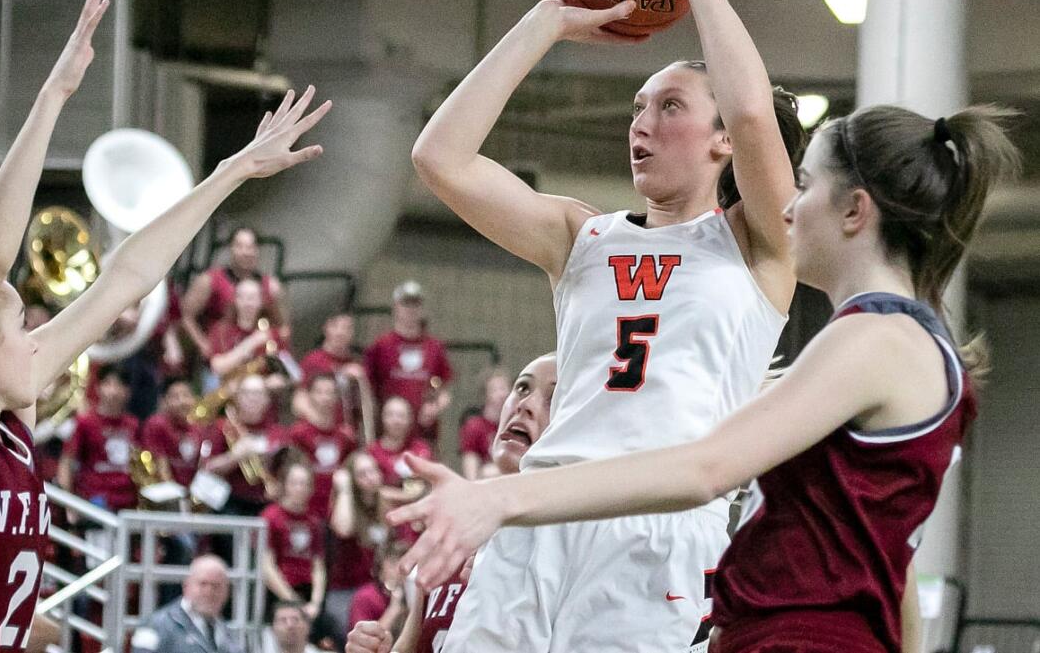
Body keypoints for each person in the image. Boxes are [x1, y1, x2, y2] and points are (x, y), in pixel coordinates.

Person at [0, 0, 333, 652]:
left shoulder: (11, 429)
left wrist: (230, 172)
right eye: (22, 324)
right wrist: (54, 95)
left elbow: (125, 278)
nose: (38, 336)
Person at [392, 104, 1020, 653]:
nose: (791, 206)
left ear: (856, 210)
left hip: (683, 546)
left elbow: (703, 470)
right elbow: (890, 567)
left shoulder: (852, 321)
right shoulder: (590, 237)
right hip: (590, 519)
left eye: (804, 186)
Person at [406, 0, 804, 653]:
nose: (642, 125)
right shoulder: (578, 235)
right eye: (635, 108)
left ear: (722, 140)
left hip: (658, 525)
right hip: (537, 510)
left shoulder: (760, 245)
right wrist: (544, 21)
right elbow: (438, 156)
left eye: (669, 107)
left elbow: (756, 113)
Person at [348, 352, 557, 653]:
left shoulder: (571, 538)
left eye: (552, 397)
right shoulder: (453, 531)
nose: (525, 405)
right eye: (522, 388)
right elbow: (413, 644)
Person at [182, 227, 288, 363]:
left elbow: (283, 326)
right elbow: (186, 315)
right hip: (219, 353)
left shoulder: (271, 286)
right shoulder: (210, 280)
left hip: (258, 358)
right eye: (240, 246)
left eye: (250, 247)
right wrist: (203, 345)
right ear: (231, 248)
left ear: (257, 250)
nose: (245, 252)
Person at [363, 283, 452, 441]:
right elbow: (368, 388)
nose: (411, 309)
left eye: (415, 304)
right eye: (406, 304)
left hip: (423, 432)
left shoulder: (434, 347)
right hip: (387, 434)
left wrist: (435, 407)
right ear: (396, 307)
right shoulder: (381, 345)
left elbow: (443, 388)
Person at [260, 461, 337, 645]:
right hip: (279, 593)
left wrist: (316, 603)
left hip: (308, 594)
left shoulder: (314, 520)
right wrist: (293, 602)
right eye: (295, 483)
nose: (300, 488)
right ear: (285, 485)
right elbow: (267, 566)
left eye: (304, 484)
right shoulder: (271, 516)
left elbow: (318, 566)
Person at [325, 450, 392, 644]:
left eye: (373, 471)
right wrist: (344, 488)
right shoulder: (344, 505)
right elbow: (344, 529)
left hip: (378, 590)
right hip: (346, 592)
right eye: (363, 473)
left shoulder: (384, 505)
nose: (371, 477)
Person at [58, 363, 140, 512]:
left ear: (128, 391)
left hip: (128, 503)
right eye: (108, 384)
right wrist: (69, 507)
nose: (113, 391)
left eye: (119, 385)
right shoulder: (85, 423)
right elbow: (66, 463)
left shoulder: (133, 424)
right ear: (98, 388)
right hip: (95, 503)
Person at [203, 373, 285, 516]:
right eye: (247, 393)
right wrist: (234, 456)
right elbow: (207, 468)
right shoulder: (223, 427)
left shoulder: (278, 433)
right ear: (237, 398)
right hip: (228, 502)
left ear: (268, 399)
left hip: (267, 502)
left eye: (259, 393)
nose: (253, 398)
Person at [131, 554, 245, 653]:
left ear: (227, 592)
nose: (209, 592)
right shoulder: (155, 625)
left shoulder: (226, 633)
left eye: (216, 586)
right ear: (186, 586)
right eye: (203, 584)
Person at [288, 373, 358, 519]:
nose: (325, 397)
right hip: (306, 511)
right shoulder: (298, 433)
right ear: (309, 396)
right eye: (319, 392)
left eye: (330, 392)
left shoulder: (346, 435)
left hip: (336, 508)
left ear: (337, 397)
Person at [295, 312, 374, 439]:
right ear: (326, 328)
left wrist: (362, 379)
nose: (340, 332)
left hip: (349, 439)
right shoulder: (313, 360)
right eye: (336, 326)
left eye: (347, 328)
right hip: (318, 437)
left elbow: (367, 406)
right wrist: (327, 428)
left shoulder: (358, 363)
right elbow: (299, 402)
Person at [142, 377, 207, 488]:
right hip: (165, 494)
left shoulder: (198, 428)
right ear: (164, 401)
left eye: (186, 395)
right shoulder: (157, 424)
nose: (182, 402)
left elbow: (201, 468)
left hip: (191, 493)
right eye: (175, 397)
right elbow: (161, 469)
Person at [366, 397, 433, 487]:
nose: (396, 421)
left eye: (401, 416)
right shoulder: (372, 453)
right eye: (390, 415)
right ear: (382, 418)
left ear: (410, 420)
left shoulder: (421, 448)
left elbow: (430, 482)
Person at [457, 367, 510, 480]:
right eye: (495, 390)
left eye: (503, 388)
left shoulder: (515, 425)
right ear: (485, 395)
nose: (501, 394)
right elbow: (471, 475)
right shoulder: (474, 426)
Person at [347, 541, 410, 631]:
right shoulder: (365, 598)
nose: (400, 570)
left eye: (405, 563)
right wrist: (394, 609)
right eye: (393, 564)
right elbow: (365, 640)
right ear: (380, 570)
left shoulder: (414, 594)